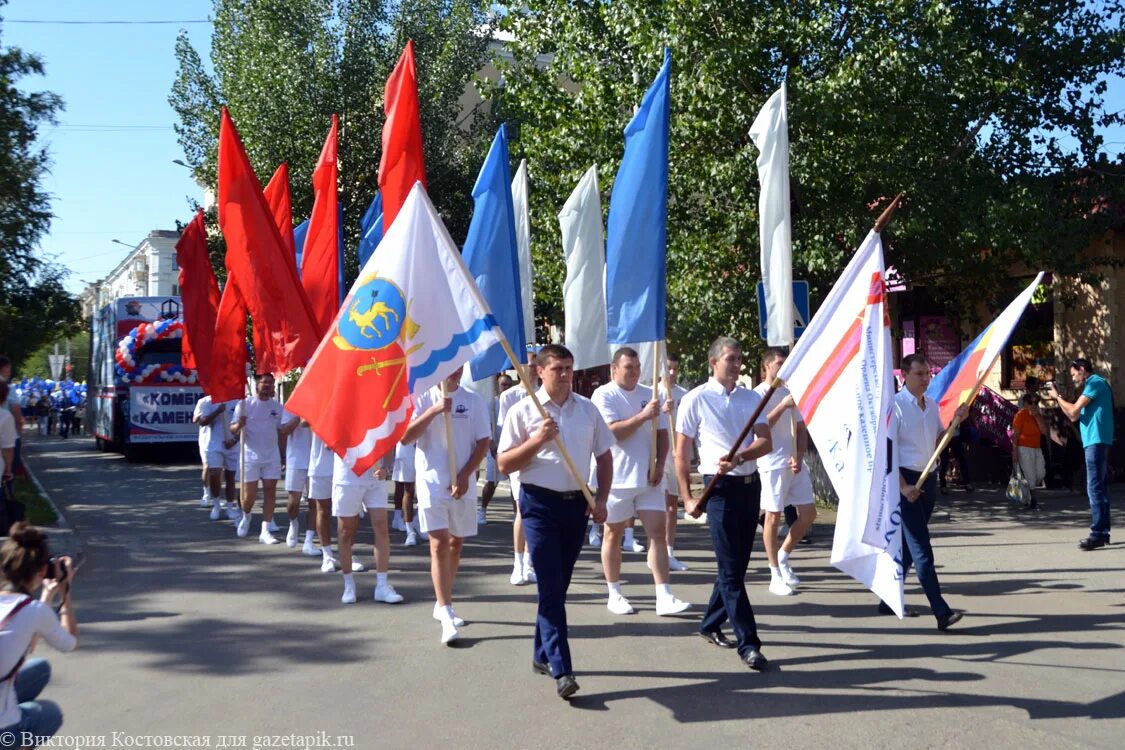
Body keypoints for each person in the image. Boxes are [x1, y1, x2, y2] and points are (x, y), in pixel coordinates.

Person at [498, 344, 612, 700]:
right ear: (540, 372)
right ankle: (563, 670)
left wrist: (602, 497)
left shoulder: (588, 410)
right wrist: (538, 439)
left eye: (568, 368)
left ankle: (540, 654)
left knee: (557, 587)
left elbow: (604, 455)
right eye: (557, 368)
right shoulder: (523, 412)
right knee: (549, 587)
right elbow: (504, 464)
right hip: (538, 505)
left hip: (576, 505)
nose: (564, 375)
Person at [675, 337, 773, 670]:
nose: (736, 365)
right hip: (718, 492)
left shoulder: (751, 398)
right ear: (713, 362)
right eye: (730, 359)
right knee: (732, 573)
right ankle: (749, 644)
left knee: (735, 567)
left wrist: (742, 455)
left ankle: (710, 623)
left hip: (749, 486)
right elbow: (681, 452)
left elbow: (765, 442)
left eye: (739, 359)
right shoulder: (695, 400)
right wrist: (687, 497)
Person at [592, 347, 690, 617]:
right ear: (614, 369)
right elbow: (613, 433)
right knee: (612, 533)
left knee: (657, 532)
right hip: (617, 477)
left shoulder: (651, 394)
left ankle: (664, 595)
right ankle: (614, 592)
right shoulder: (603, 394)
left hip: (648, 478)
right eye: (628, 367)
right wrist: (644, 415)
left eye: (637, 367)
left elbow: (661, 433)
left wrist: (660, 465)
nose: (634, 372)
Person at [401, 366, 491, 644]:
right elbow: (406, 437)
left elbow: (483, 441)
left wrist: (465, 476)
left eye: (459, 367)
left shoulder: (473, 400)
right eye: (450, 367)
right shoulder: (422, 398)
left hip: (461, 483)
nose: (455, 372)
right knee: (438, 543)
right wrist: (434, 411)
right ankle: (447, 612)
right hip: (431, 482)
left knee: (456, 544)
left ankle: (442, 600)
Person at [891, 354, 965, 629]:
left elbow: (936, 442)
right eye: (919, 374)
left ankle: (888, 597)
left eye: (927, 374)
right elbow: (887, 452)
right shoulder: (895, 406)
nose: (926, 379)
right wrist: (902, 486)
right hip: (907, 480)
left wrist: (957, 421)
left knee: (909, 546)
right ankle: (940, 610)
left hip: (928, 478)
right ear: (905, 376)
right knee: (921, 546)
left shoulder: (932, 406)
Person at [0, 522, 78, 745]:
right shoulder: (33, 612)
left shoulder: (31, 611)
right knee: (50, 713)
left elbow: (23, 644)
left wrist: (46, 596)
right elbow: (69, 643)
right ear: (42, 570)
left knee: (39, 668)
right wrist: (65, 592)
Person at [755, 347, 817, 596]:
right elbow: (758, 428)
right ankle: (774, 573)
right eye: (779, 363)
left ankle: (783, 554)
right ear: (767, 365)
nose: (783, 367)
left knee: (809, 514)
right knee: (773, 517)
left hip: (793, 462)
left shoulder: (791, 392)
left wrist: (799, 455)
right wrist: (781, 406)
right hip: (771, 462)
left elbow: (801, 429)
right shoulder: (757, 394)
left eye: (785, 363)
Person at [1048, 358, 1115, 550]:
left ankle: (1098, 534)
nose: (1074, 377)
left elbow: (1073, 412)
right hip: (1098, 439)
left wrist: (1057, 396)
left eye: (1074, 373)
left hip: (1096, 439)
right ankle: (1104, 531)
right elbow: (1074, 414)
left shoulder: (1094, 383)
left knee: (1094, 487)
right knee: (1100, 486)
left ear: (1082, 369)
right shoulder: (1097, 384)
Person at [331, 453, 402, 605]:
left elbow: (388, 438)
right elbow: (329, 441)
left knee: (382, 527)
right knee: (345, 531)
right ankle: (348, 585)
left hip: (375, 478)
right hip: (347, 477)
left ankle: (382, 586)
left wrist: (385, 467)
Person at [498, 356, 538, 586]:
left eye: (535, 366)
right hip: (519, 460)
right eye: (528, 365)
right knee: (522, 511)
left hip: (542, 462)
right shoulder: (509, 396)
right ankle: (518, 563)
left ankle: (531, 562)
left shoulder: (543, 393)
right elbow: (505, 432)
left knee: (535, 513)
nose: (531, 370)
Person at [231, 374, 284, 543]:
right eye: (265, 382)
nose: (268, 385)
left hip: (271, 456)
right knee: (248, 497)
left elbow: (281, 431)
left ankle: (265, 531)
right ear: (257, 384)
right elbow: (233, 429)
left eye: (270, 382)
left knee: (270, 491)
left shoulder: (277, 407)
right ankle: (246, 516)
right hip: (250, 456)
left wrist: (283, 456)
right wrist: (240, 423)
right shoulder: (245, 405)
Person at [658, 353, 690, 572]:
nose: (672, 372)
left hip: (677, 456)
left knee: (671, 506)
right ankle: (656, 550)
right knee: (655, 507)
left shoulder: (684, 395)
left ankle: (668, 552)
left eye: (675, 368)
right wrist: (662, 411)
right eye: (668, 368)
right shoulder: (652, 393)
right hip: (658, 456)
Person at [193, 395, 232, 521]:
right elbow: (200, 421)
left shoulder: (236, 401)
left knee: (230, 476)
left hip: (231, 444)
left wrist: (235, 440)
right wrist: (218, 411)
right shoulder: (205, 401)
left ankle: (230, 507)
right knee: (212, 471)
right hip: (210, 442)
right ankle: (212, 499)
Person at [280, 411, 313, 548]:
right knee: (293, 502)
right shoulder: (292, 405)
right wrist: (300, 414)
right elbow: (284, 430)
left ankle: (309, 539)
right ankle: (293, 523)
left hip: (317, 459)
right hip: (296, 458)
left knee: (315, 503)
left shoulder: (324, 399)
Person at [1011, 393, 1048, 508]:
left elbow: (1044, 431)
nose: (1033, 405)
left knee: (1041, 473)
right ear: (1025, 403)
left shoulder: (1038, 415)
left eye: (1036, 403)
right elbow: (1015, 435)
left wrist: (1037, 416)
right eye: (1031, 403)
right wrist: (1015, 451)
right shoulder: (1020, 415)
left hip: (1036, 448)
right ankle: (1034, 500)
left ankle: (1027, 494)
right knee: (1030, 475)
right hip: (1024, 448)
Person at [392, 443, 420, 546]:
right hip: (407, 451)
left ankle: (414, 521)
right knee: (408, 489)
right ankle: (410, 531)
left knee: (404, 487)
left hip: (422, 451)